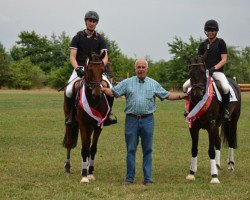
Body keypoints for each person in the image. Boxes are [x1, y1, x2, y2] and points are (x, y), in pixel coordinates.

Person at [101, 59, 188, 185]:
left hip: (148, 120)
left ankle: (148, 179)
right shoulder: (127, 83)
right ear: (135, 69)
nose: (141, 69)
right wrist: (103, 89)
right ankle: (129, 178)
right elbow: (114, 92)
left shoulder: (153, 84)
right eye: (138, 67)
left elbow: (167, 95)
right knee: (131, 149)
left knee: (147, 150)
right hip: (131, 120)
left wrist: (182, 96)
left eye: (143, 67)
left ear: (147, 69)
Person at [65, 10, 117, 126]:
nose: (92, 23)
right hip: (80, 68)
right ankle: (71, 115)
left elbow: (105, 57)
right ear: (86, 21)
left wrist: (100, 66)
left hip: (96, 69)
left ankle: (107, 116)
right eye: (90, 21)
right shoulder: (77, 37)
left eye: (94, 21)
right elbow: (72, 56)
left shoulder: (100, 39)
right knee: (69, 90)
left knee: (111, 90)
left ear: (96, 23)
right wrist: (77, 68)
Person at [183, 19, 230, 121]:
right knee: (185, 86)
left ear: (216, 31)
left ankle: (225, 110)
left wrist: (214, 68)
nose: (210, 32)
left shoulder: (221, 43)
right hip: (203, 73)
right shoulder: (202, 44)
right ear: (206, 32)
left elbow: (224, 59)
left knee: (226, 88)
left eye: (212, 30)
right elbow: (199, 59)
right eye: (208, 30)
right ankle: (188, 108)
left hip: (217, 72)